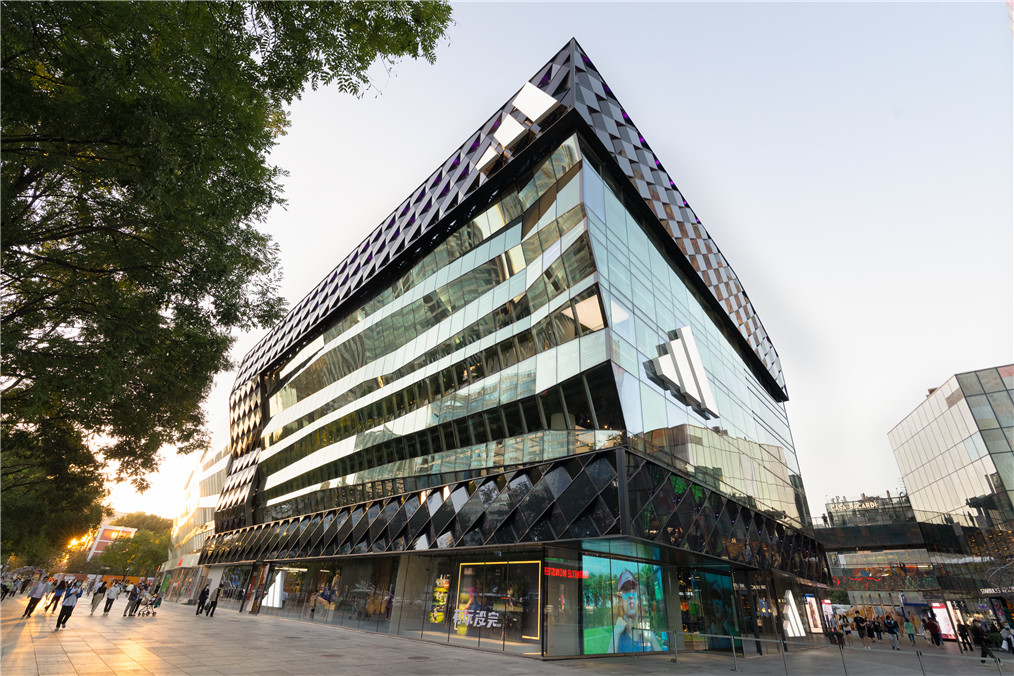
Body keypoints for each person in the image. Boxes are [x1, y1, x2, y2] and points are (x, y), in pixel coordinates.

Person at [608, 570, 662, 652]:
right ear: (621, 601)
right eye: (626, 591)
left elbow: (662, 662)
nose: (630, 596)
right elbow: (609, 663)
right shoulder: (618, 638)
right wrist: (615, 634)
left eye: (633, 590)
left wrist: (652, 639)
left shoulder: (647, 635)